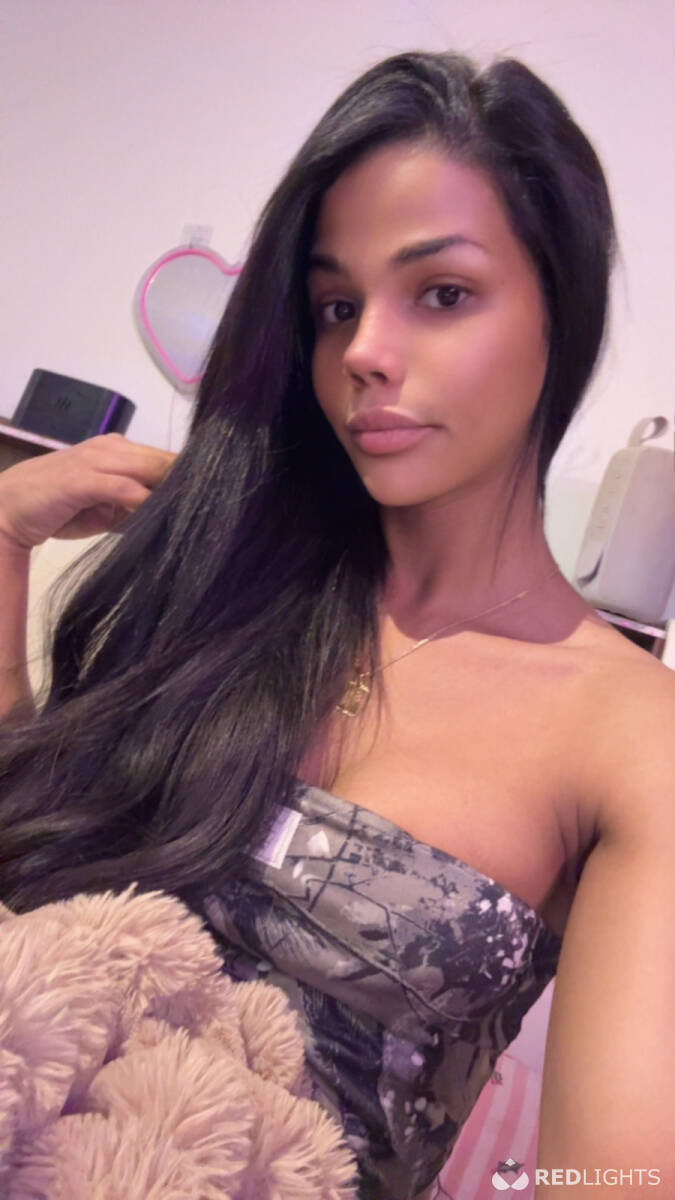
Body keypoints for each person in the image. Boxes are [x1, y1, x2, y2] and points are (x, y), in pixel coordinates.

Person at [0, 49, 673, 1200]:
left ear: (559, 314)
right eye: (335, 307)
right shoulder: (229, 588)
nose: (362, 350)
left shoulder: (631, 733)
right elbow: (32, 883)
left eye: (443, 293)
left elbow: (613, 1180)